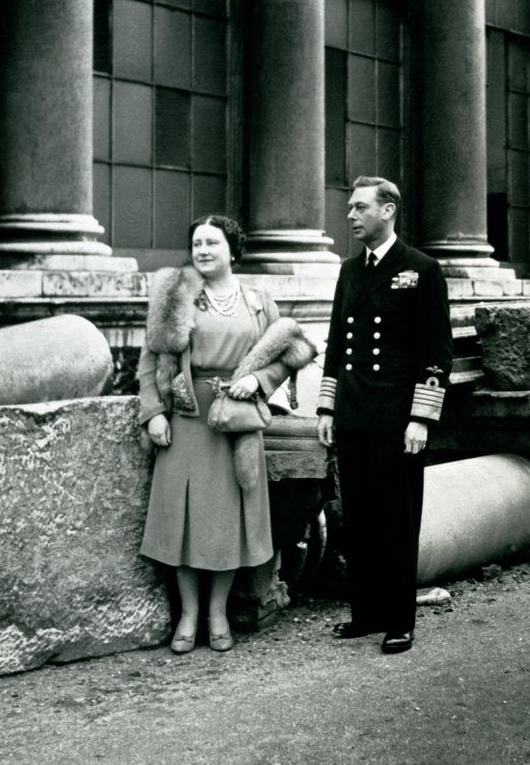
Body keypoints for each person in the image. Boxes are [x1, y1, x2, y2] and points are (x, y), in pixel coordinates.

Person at [137, 214, 315, 654]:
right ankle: (189, 615)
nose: (202, 250)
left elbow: (292, 351)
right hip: (186, 416)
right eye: (196, 242)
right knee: (183, 521)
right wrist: (154, 414)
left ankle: (218, 613)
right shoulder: (176, 295)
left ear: (233, 249)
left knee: (225, 523)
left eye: (212, 242)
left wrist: (260, 382)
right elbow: (149, 359)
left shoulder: (256, 300)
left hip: (236, 420)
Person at [316, 177, 452, 654]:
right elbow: (336, 343)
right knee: (359, 519)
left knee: (396, 520)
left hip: (397, 419)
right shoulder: (349, 270)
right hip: (353, 414)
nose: (350, 216)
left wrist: (422, 418)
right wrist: (327, 405)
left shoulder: (421, 269)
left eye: (359, 208)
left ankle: (399, 619)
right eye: (349, 208)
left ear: (388, 210)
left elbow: (435, 352)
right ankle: (367, 613)